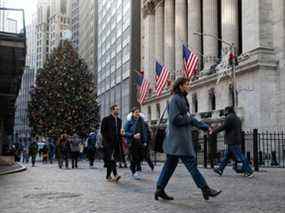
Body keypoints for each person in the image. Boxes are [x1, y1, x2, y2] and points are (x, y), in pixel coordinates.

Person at [155, 77, 221, 201]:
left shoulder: (181, 98)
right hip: (179, 141)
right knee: (192, 165)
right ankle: (205, 189)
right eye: (186, 84)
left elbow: (190, 118)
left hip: (177, 141)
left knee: (169, 166)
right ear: (180, 86)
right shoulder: (175, 99)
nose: (189, 86)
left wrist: (205, 127)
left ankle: (159, 189)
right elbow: (175, 119)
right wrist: (189, 119)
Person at [211, 106, 254, 177]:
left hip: (232, 140)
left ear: (228, 111)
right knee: (226, 156)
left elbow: (223, 126)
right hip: (235, 139)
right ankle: (220, 169)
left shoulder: (229, 117)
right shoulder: (236, 118)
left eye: (225, 111)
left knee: (240, 156)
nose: (224, 112)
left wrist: (213, 131)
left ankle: (249, 171)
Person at [124, 107, 148, 179]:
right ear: (133, 113)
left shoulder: (142, 121)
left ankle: (136, 169)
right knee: (134, 157)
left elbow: (144, 132)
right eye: (136, 112)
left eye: (138, 112)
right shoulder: (129, 122)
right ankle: (134, 171)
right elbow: (124, 132)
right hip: (132, 142)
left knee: (141, 156)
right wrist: (133, 135)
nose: (137, 113)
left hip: (140, 142)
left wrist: (145, 141)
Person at [101, 104, 122, 182]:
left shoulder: (119, 120)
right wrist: (107, 140)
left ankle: (108, 176)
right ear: (112, 110)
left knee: (111, 160)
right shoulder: (106, 119)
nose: (117, 110)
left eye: (118, 109)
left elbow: (119, 132)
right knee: (111, 158)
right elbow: (102, 131)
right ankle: (116, 175)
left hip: (116, 143)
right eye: (116, 109)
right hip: (108, 143)